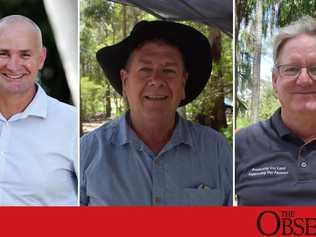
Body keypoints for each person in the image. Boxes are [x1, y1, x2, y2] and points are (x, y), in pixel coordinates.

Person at [80, 20, 232, 206]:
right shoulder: (87, 152)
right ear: (125, 81)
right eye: (145, 69)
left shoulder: (216, 150)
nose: (157, 80)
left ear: (183, 83)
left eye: (168, 70)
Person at [236, 16, 316, 206]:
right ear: (274, 81)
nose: (304, 80)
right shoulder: (241, 145)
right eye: (292, 69)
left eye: (315, 68)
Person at [0, 15, 77, 205]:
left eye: (25, 55)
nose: (13, 65)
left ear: (41, 58)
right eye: (3, 53)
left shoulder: (71, 123)